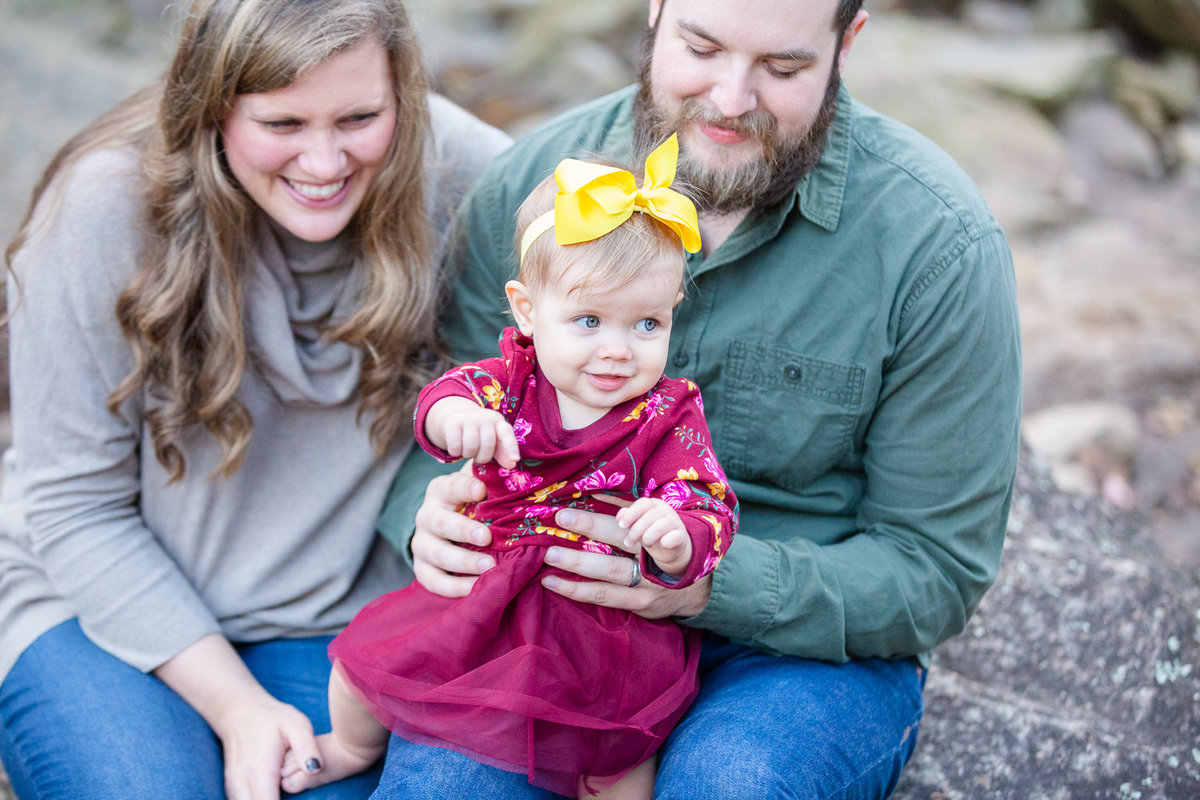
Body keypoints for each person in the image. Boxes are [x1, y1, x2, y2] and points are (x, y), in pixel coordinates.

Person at [372, 0, 1023, 797]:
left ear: (846, 43)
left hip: (793, 661)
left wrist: (711, 584)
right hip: (536, 624)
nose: (730, 98)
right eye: (701, 47)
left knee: (734, 785)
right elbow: (435, 409)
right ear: (655, 10)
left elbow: (936, 569)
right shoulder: (533, 183)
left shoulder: (938, 244)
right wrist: (427, 519)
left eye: (782, 69)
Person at [0, 1, 510, 798]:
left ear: (402, 96)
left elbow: (615, 264)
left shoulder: (468, 175)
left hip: (334, 619)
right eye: (281, 123)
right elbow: (73, 505)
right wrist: (240, 711)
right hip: (93, 603)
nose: (323, 160)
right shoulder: (101, 206)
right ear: (211, 110)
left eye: (359, 117)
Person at [283, 136, 738, 799]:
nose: (618, 351)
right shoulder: (514, 381)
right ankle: (351, 746)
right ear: (528, 311)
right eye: (588, 320)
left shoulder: (667, 413)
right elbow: (443, 398)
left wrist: (677, 533)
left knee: (621, 752)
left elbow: (708, 499)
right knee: (362, 665)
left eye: (646, 325)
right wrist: (456, 423)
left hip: (600, 625)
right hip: (488, 597)